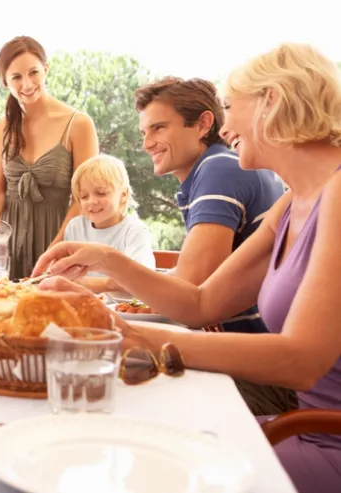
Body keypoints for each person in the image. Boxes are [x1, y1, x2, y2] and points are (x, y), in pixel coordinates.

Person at [33, 42, 341, 493]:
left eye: (232, 106)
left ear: (272, 101)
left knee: (146, 461)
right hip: (300, 420)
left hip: (321, 436)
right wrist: (100, 257)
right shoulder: (294, 201)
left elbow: (300, 361)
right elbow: (202, 303)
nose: (227, 122)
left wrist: (131, 333)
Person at [129, 76, 285, 333]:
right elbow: (186, 277)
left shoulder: (219, 169)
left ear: (203, 124)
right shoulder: (216, 168)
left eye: (159, 128)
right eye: (144, 133)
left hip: (253, 350)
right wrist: (100, 283)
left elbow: (189, 291)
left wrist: (105, 261)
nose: (147, 144)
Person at [0, 35, 99, 280]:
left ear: (46, 69)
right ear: (5, 82)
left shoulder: (78, 124)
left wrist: (55, 249)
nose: (27, 84)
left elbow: (83, 198)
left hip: (60, 237)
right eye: (16, 77)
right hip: (8, 245)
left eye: (33, 72)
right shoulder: (1, 127)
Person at [63, 154, 154, 292]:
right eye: (84, 196)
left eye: (101, 193)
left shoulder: (134, 231)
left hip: (122, 309)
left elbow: (142, 280)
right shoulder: (75, 226)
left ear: (123, 195)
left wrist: (80, 283)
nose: (92, 201)